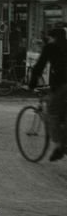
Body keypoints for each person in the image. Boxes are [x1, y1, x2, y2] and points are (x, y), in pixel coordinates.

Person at [29, 27, 67, 162]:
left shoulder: (50, 47)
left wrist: (32, 84)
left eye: (49, 37)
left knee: (52, 112)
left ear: (53, 37)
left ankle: (59, 146)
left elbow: (39, 66)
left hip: (62, 86)